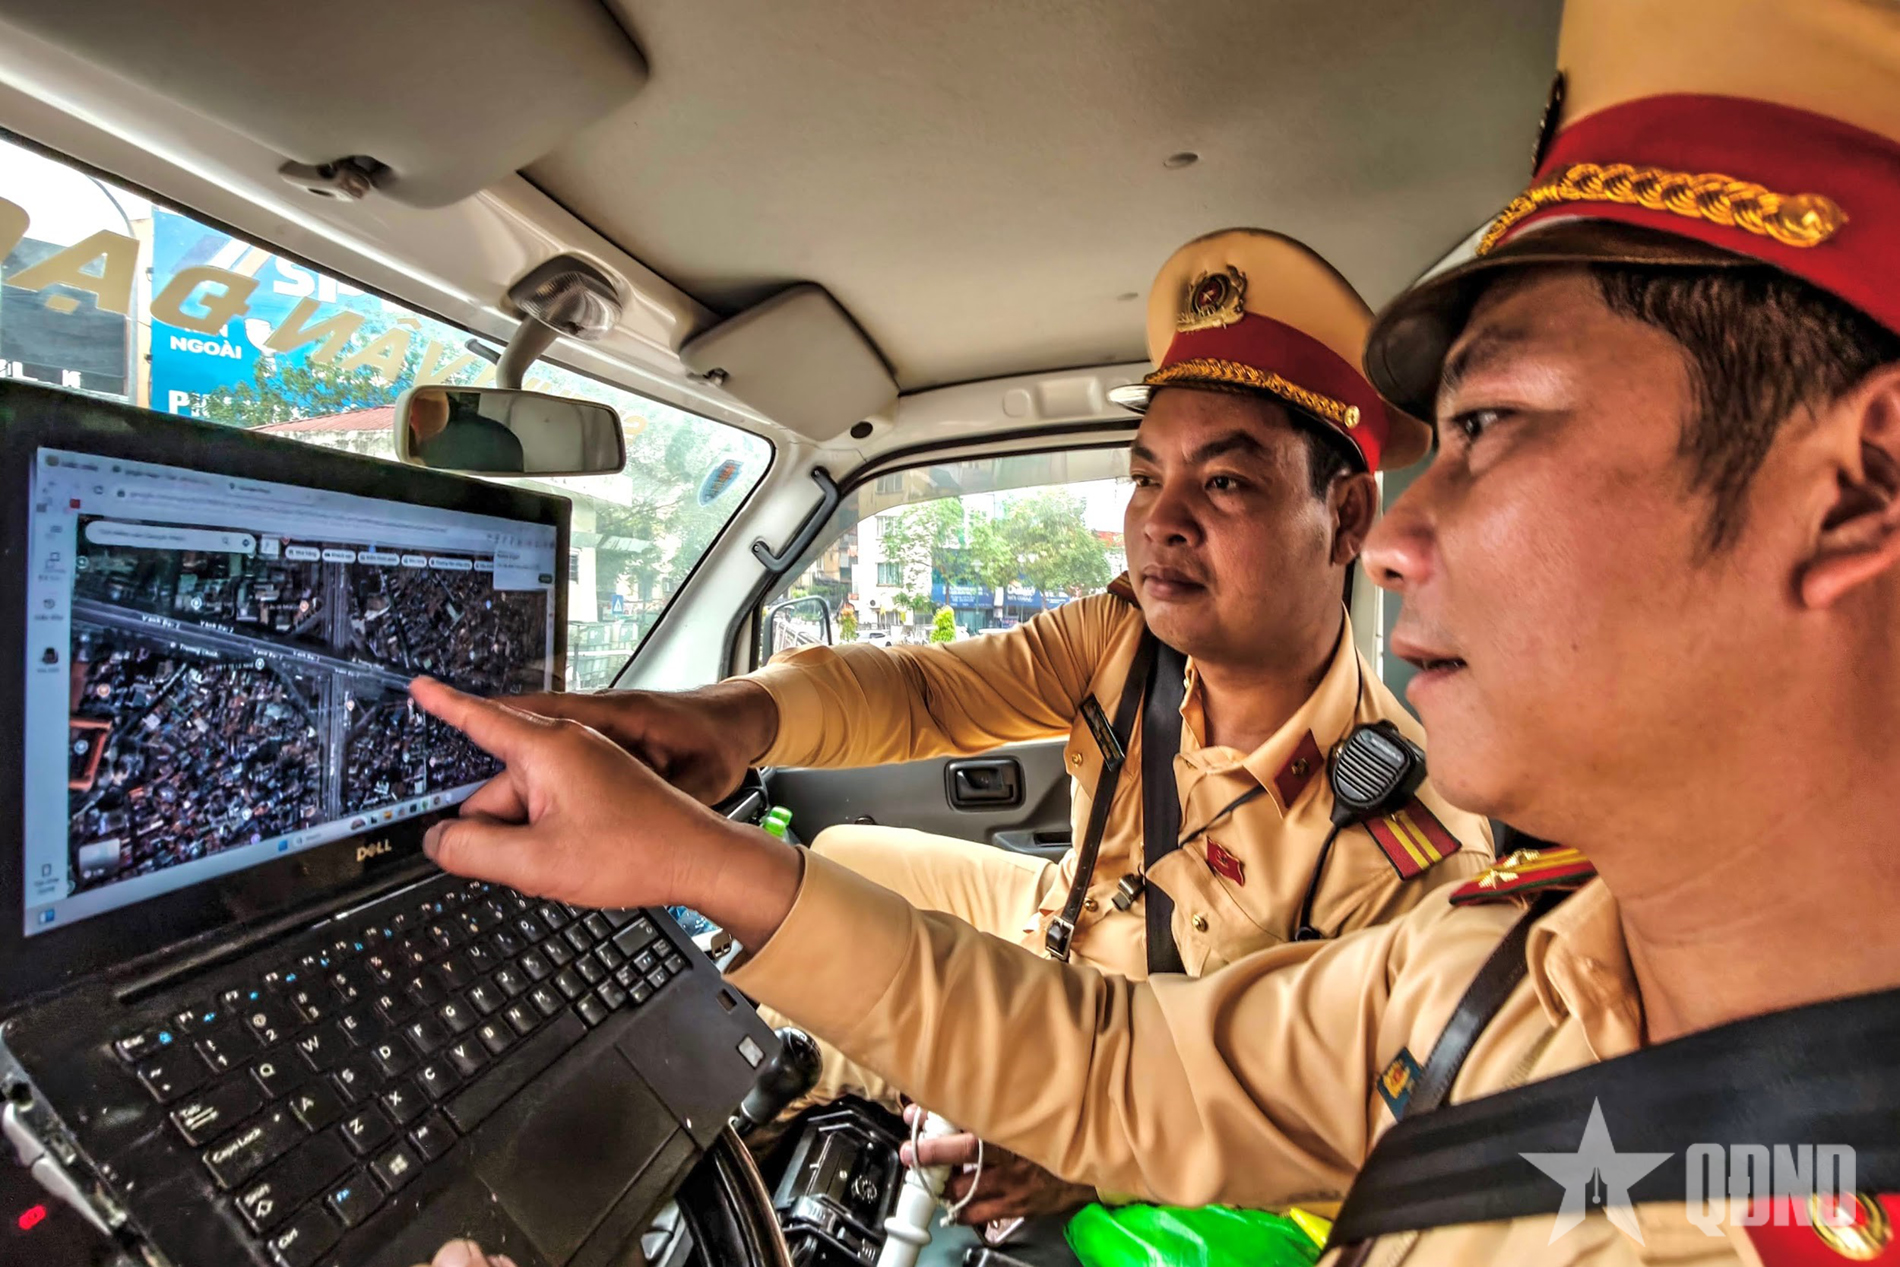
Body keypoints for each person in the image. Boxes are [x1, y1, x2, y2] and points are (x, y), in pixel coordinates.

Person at [411, 0, 1900, 1260]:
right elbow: (1119, 1052)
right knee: (837, 869)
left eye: (1496, 424)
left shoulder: (1427, 853)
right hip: (1077, 976)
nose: (1403, 539)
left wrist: (1092, 1176)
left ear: (1859, 484)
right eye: (1145, 478)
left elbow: (1188, 1150)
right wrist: (716, 765)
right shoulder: (1498, 972)